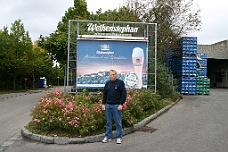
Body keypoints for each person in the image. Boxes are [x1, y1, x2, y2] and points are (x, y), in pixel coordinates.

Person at [102, 69, 127, 144]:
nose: (113, 76)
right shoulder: (107, 83)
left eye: (114, 74)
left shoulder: (120, 83)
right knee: (108, 122)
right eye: (112, 74)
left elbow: (124, 94)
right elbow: (105, 94)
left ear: (116, 75)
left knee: (118, 123)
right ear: (109, 75)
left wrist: (121, 104)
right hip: (108, 106)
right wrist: (103, 104)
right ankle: (107, 136)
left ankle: (119, 137)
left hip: (117, 106)